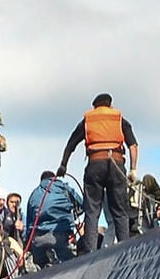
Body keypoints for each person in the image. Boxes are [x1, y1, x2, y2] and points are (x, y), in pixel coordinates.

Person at [59, 93, 139, 250]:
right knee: (120, 210)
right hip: (116, 164)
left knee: (92, 211)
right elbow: (133, 146)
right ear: (110, 105)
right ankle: (124, 249)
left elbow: (71, 143)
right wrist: (133, 169)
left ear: (95, 106)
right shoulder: (119, 119)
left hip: (95, 165)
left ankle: (90, 252)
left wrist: (63, 165)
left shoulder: (89, 120)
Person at [26, 170, 83, 268]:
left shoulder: (34, 194)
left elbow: (29, 223)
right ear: (55, 179)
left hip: (38, 240)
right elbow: (81, 204)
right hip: (59, 237)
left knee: (40, 268)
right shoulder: (63, 188)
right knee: (71, 266)